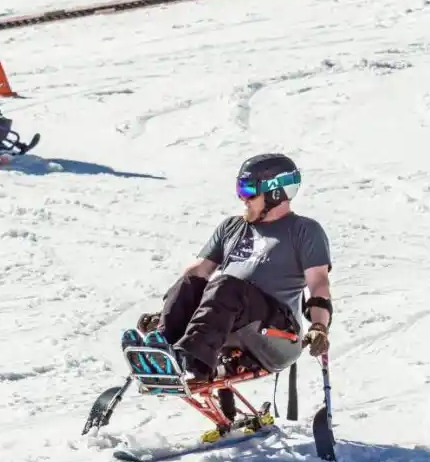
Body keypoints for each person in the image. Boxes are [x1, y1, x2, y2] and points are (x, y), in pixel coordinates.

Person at [130, 153, 333, 382]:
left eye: (248, 190)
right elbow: (199, 271)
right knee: (192, 280)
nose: (242, 198)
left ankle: (191, 361)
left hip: (277, 334)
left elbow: (319, 284)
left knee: (226, 286)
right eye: (240, 189)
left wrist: (319, 326)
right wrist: (169, 313)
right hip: (226, 323)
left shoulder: (304, 230)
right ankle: (161, 350)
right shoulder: (232, 227)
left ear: (275, 193)